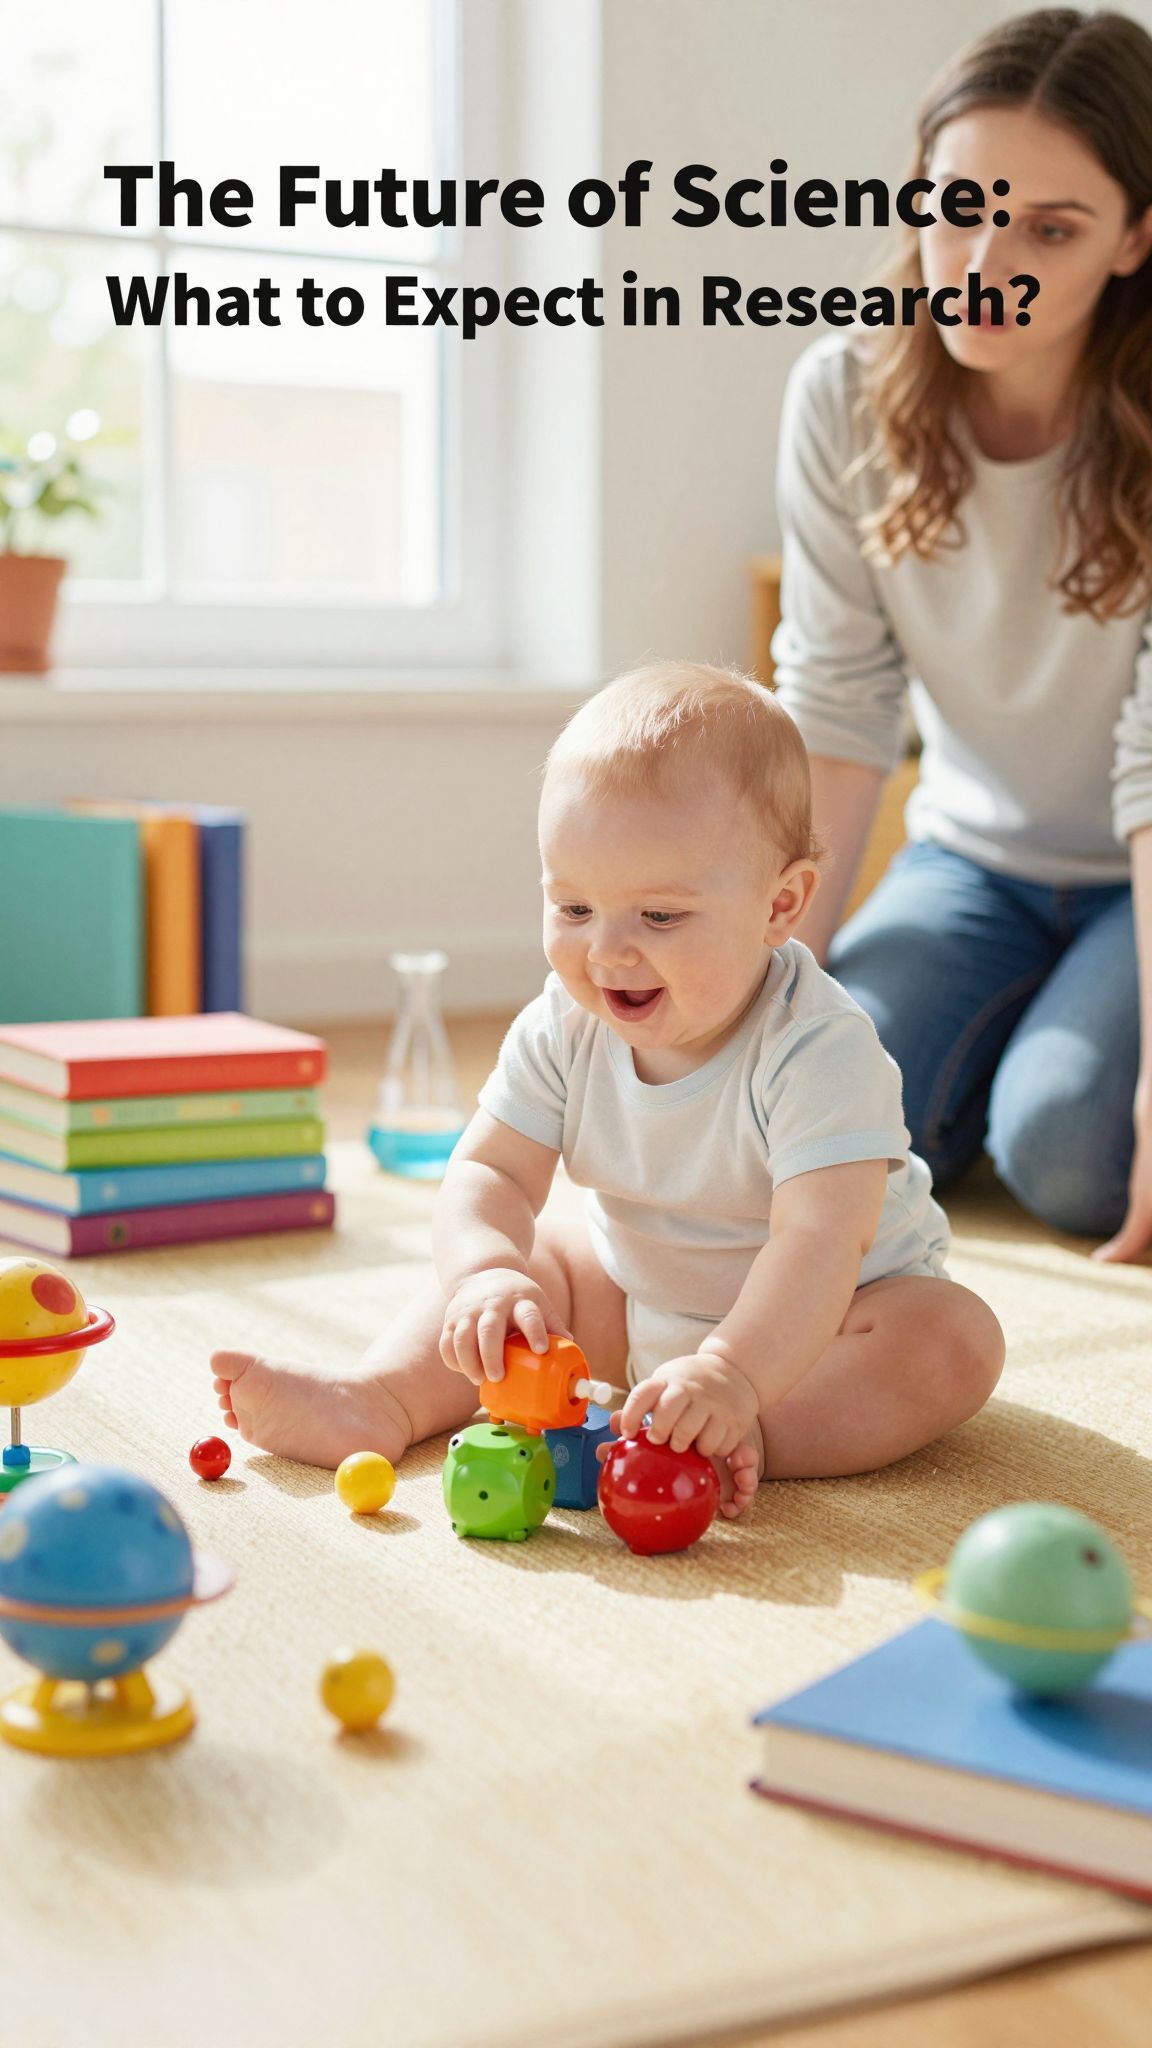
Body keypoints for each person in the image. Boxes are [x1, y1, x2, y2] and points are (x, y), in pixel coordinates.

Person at [211, 664, 1004, 1513]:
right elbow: (491, 1175)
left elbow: (818, 1242)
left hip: (823, 1328)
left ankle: (752, 1437)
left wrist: (734, 1378)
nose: (608, 952)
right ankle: (378, 1398)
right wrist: (485, 1273)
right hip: (638, 1299)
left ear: (781, 906)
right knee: (536, 1265)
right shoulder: (564, 1024)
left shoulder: (818, 1049)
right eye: (574, 909)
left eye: (659, 917)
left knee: (951, 1341)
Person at [772, 7, 1152, 1261]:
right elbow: (835, 709)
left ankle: (1052, 1060)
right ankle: (1021, 1040)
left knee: (1070, 1149)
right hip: (971, 863)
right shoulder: (845, 397)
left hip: (1134, 870)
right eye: (960, 208)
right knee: (823, 1104)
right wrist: (765, 1001)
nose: (988, 258)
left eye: (1051, 227)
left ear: (1137, 237)